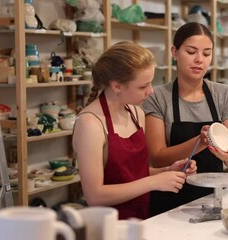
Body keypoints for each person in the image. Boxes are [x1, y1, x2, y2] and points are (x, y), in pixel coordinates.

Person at [72, 41, 197, 220]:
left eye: (150, 83)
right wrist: (153, 182)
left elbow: (133, 175)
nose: (151, 91)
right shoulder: (90, 124)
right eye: (142, 86)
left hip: (141, 219)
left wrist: (166, 171)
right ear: (117, 86)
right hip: (110, 226)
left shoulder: (136, 113)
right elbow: (95, 197)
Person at [142, 22, 228, 216]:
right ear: (174, 52)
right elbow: (157, 158)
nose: (199, 60)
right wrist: (199, 141)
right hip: (170, 200)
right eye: (191, 52)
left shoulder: (225, 95)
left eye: (207, 53)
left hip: (214, 197)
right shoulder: (157, 97)